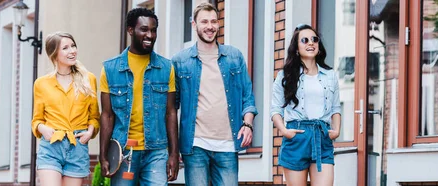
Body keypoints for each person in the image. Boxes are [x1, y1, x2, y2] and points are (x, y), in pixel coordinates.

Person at [171, 2, 257, 186]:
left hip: (227, 144)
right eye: (204, 22)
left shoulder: (234, 57)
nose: (209, 27)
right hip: (195, 145)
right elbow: (171, 107)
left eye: (213, 21)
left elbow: (247, 97)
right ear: (194, 25)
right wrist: (172, 148)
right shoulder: (180, 61)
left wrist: (247, 125)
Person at [99, 8, 179, 185]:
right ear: (130, 30)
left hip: (156, 152)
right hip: (123, 152)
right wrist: (103, 154)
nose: (150, 35)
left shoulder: (167, 68)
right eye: (144, 29)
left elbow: (170, 113)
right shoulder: (110, 69)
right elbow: (107, 115)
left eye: (153, 30)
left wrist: (174, 153)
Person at [270, 24, 341, 186]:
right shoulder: (285, 76)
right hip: (297, 136)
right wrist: (284, 131)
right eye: (305, 40)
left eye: (314, 39)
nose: (311, 43)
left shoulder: (330, 76)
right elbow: (275, 109)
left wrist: (336, 131)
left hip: (322, 136)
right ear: (296, 48)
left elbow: (336, 108)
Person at [31, 32, 100, 186]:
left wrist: (89, 132)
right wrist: (43, 129)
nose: (72, 51)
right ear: (54, 54)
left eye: (73, 46)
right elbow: (37, 120)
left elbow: (94, 116)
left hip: (77, 147)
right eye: (66, 48)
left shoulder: (88, 79)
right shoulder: (42, 84)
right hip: (51, 147)